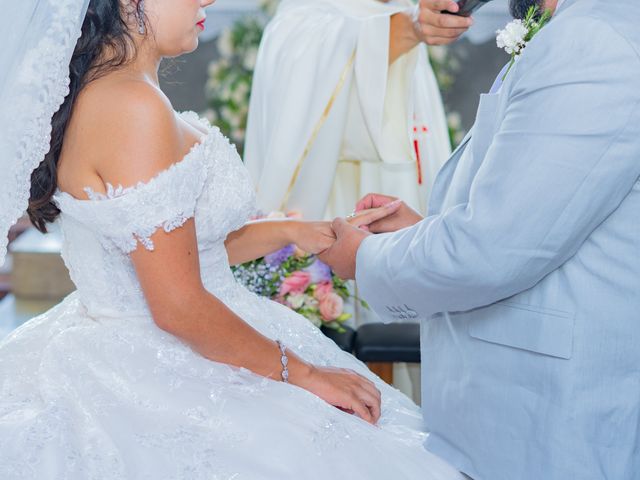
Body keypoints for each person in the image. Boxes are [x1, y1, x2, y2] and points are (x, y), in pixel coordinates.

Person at [0, 0, 466, 478]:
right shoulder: (130, 105)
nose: (208, 0)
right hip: (159, 358)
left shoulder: (119, 92)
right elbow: (177, 304)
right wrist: (304, 374)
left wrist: (294, 231)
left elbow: (181, 252)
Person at [320, 0, 640, 479]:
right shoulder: (587, 29)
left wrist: (365, 258)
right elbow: (532, 217)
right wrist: (421, 231)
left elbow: (492, 252)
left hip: (551, 419)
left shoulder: (593, 42)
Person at [244, 0, 472, 220]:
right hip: (338, 216)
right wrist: (409, 28)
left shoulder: (403, 9)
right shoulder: (299, 19)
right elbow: (300, 118)